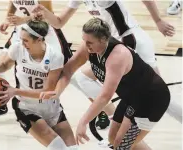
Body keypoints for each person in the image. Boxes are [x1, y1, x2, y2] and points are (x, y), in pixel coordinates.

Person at [33, 0, 181, 125]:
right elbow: (59, 23)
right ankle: (116, 120)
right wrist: (46, 14)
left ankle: (118, 122)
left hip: (130, 42)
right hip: (119, 44)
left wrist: (158, 21)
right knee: (158, 95)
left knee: (156, 94)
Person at [39, 18, 170, 150]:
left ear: (103, 40)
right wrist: (57, 91)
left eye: (90, 42)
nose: (86, 45)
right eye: (84, 40)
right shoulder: (88, 48)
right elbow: (67, 70)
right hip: (131, 97)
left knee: (122, 144)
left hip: (151, 99)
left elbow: (105, 97)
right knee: (113, 139)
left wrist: (83, 122)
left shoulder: (117, 56)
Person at [0, 20, 79, 150]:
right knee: (59, 148)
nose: (22, 43)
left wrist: (15, 91)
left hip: (52, 108)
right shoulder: (18, 48)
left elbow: (47, 92)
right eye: (21, 39)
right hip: (26, 108)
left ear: (38, 39)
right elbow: (5, 65)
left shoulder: (55, 56)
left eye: (26, 40)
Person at [0, 0, 74, 122]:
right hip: (23, 31)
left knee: (72, 74)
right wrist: (8, 19)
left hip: (43, 33)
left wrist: (24, 20)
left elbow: (48, 16)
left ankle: (101, 106)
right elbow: (13, 2)